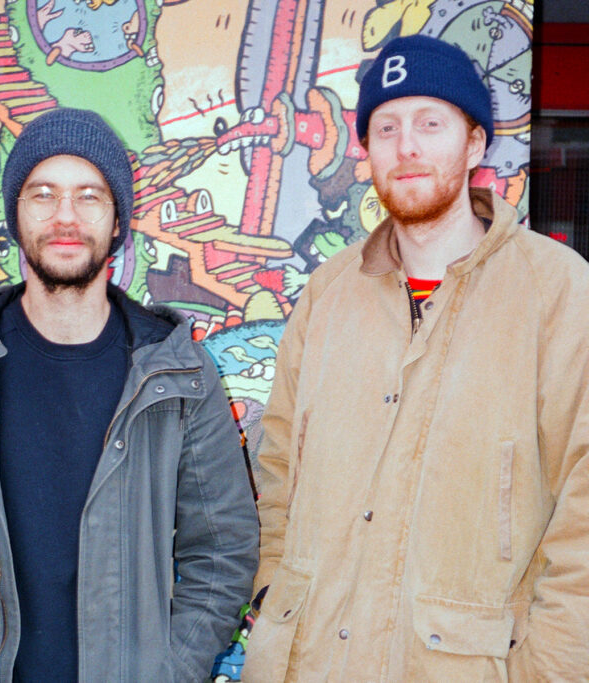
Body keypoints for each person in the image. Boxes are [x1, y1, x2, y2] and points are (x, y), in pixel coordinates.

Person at [0, 107, 258, 683]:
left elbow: (224, 551)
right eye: (43, 194)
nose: (66, 217)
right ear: (15, 215)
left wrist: (171, 672)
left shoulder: (179, 373)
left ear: (119, 219)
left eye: (89, 196)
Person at [246, 34, 589, 680]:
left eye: (431, 124)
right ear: (366, 149)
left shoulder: (559, 294)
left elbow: (584, 525)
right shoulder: (326, 295)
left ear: (476, 143)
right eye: (387, 127)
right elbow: (278, 463)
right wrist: (273, 591)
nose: (407, 147)